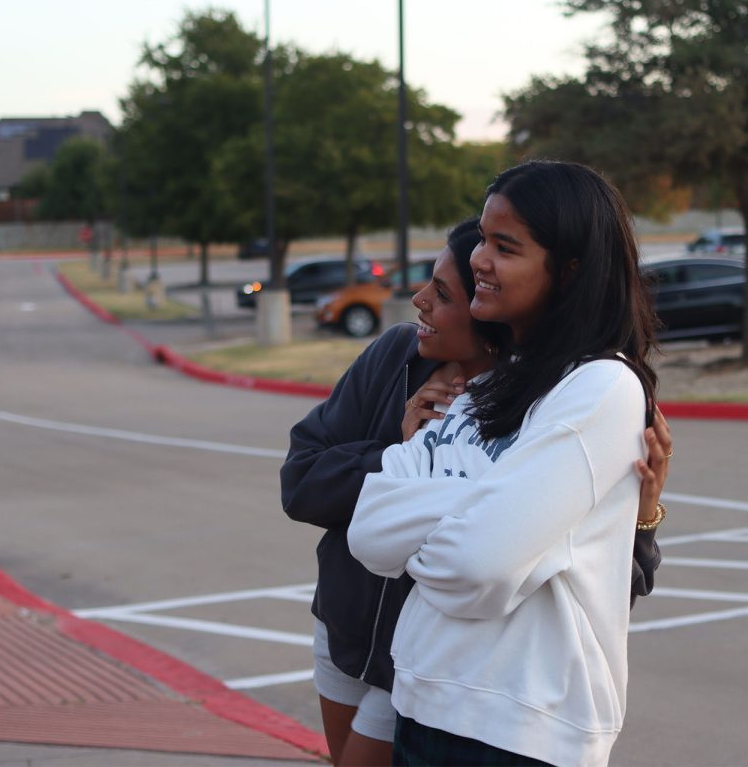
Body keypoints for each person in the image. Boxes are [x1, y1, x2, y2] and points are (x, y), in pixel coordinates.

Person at [282, 217, 671, 766]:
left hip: (431, 677)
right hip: (351, 635)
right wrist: (401, 446)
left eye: (442, 294)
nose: (418, 301)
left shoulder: (561, 397)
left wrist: (643, 516)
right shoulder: (399, 359)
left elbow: (590, 581)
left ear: (483, 314)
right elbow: (304, 482)